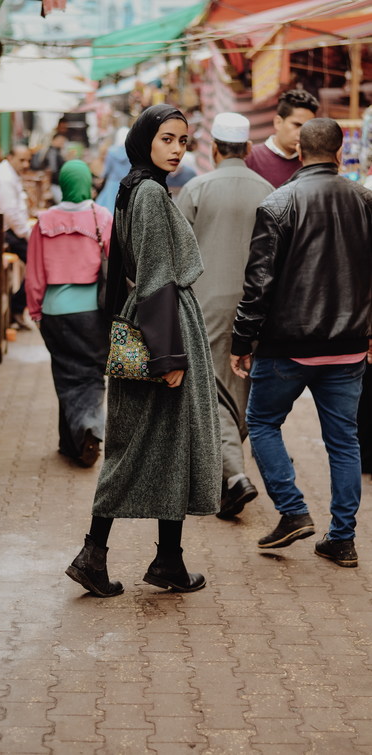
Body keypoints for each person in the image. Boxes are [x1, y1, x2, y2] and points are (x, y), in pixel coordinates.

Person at [65, 104, 222, 597]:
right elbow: (155, 277)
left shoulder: (134, 186)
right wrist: (169, 357)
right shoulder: (150, 192)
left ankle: (167, 560)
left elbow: (125, 272)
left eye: (183, 140)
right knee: (140, 447)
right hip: (164, 330)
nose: (177, 149)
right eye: (167, 139)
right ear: (144, 141)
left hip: (153, 326)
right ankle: (98, 554)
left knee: (159, 445)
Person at [230, 117, 372, 568]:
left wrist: (242, 339)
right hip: (349, 344)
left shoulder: (278, 202)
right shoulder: (366, 201)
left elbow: (259, 284)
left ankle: (292, 511)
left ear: (300, 149)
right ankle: (342, 538)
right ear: (339, 149)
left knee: (263, 423)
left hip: (288, 344)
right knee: (344, 441)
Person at [177, 112, 273, 519]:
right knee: (242, 390)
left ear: (213, 149)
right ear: (249, 149)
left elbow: (178, 254)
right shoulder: (270, 191)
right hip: (258, 307)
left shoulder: (196, 188)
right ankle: (226, 474)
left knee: (213, 390)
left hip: (207, 305)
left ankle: (234, 476)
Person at [26, 160, 113, 467]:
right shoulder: (101, 217)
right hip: (91, 313)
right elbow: (115, 267)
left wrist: (35, 311)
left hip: (55, 312)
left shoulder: (44, 221)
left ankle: (74, 441)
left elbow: (34, 273)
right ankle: (87, 429)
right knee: (89, 374)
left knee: (65, 375)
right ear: (88, 182)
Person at [245, 89, 319, 188]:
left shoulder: (312, 162)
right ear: (278, 122)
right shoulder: (251, 157)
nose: (302, 133)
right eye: (296, 125)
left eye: (307, 127)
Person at [0, 145, 34, 330]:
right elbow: (9, 212)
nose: (26, 164)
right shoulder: (4, 176)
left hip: (13, 231)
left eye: (28, 160)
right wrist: (27, 234)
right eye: (22, 160)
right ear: (10, 157)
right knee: (38, 265)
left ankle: (17, 306)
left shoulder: (10, 173)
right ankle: (16, 306)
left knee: (37, 264)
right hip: (6, 233)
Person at [96, 127, 131, 213]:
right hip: (127, 184)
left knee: (109, 207)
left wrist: (101, 177)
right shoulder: (131, 151)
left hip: (112, 183)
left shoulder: (111, 151)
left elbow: (107, 169)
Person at [32, 132, 67, 204]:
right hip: (53, 183)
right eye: (60, 141)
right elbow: (52, 169)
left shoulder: (55, 151)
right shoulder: (52, 152)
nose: (62, 143)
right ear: (54, 140)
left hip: (54, 183)